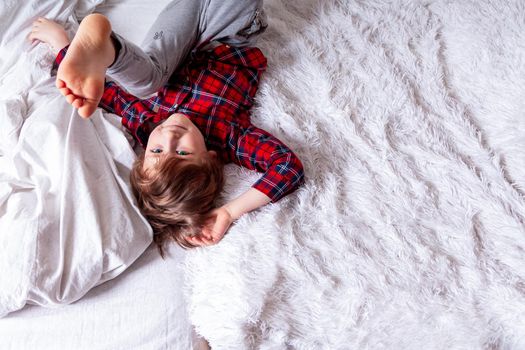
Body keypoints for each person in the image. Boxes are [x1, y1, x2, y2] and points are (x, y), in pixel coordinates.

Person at [28, 1, 304, 252]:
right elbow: (287, 168)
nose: (169, 138)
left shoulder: (145, 122)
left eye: (157, 150)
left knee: (147, 82)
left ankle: (106, 49)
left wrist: (61, 43)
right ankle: (105, 48)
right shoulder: (231, 136)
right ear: (211, 158)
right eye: (183, 153)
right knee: (152, 78)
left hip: (173, 46)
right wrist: (229, 213)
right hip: (226, 30)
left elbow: (107, 96)